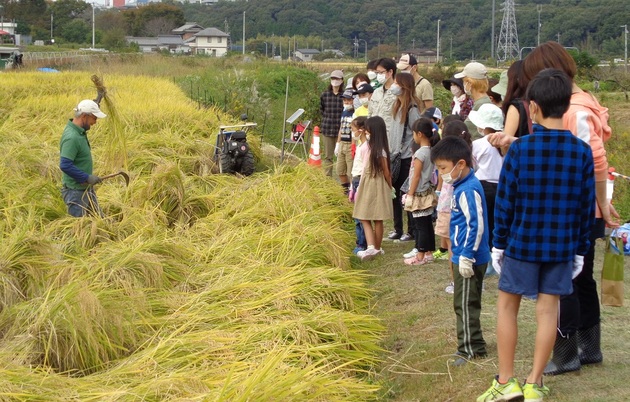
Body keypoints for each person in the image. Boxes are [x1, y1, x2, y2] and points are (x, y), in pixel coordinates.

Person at [477, 68, 596, 402]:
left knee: (507, 307)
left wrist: (498, 243)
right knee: (548, 311)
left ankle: (505, 381)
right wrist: (580, 251)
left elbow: (506, 202)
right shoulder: (581, 152)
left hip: (521, 242)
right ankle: (534, 383)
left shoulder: (520, 149)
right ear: (565, 106)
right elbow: (585, 208)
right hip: (561, 247)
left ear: (532, 108)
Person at [518, 41, 619, 378]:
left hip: (574, 209)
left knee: (565, 283)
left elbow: (596, 160)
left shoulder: (573, 110)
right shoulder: (586, 100)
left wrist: (602, 203)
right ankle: (590, 348)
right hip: (586, 208)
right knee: (582, 280)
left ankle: (565, 354)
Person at [431, 135, 489, 366]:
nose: (442, 173)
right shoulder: (460, 186)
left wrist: (466, 255)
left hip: (469, 257)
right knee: (467, 301)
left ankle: (467, 350)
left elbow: (476, 224)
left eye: (444, 168)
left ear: (461, 164)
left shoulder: (468, 190)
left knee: (464, 303)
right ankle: (477, 344)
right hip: (464, 255)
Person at [434, 121, 473, 294]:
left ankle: (455, 281)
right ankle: (471, 280)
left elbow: (443, 182)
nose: (441, 171)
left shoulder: (451, 161)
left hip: (448, 208)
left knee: (453, 247)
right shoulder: (469, 157)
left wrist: (438, 191)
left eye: (442, 168)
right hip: (460, 209)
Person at [468, 103, 505, 277]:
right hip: (501, 187)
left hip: (482, 186)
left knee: (484, 222)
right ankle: (498, 253)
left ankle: (486, 257)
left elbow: (472, 166)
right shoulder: (506, 142)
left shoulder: (478, 144)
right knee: (498, 222)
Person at [388, 72, 422, 242]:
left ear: (404, 86)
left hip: (408, 156)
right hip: (395, 156)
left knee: (406, 193)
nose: (393, 85)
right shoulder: (397, 106)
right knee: (395, 193)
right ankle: (397, 228)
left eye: (396, 82)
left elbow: (417, 133)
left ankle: (411, 230)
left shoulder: (412, 108)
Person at [354, 116, 393, 261]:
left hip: (369, 182)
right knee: (377, 217)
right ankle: (376, 247)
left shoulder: (369, 147)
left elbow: (385, 171)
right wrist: (390, 186)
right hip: (379, 183)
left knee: (365, 215)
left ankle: (372, 247)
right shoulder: (381, 149)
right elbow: (387, 172)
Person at [401, 118, 439, 265]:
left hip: (419, 193)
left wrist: (410, 194)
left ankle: (420, 255)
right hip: (428, 191)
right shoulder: (431, 151)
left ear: (420, 134)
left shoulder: (419, 154)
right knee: (427, 223)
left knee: (420, 225)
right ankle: (429, 252)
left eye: (414, 133)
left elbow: (415, 176)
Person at [60, 99, 107, 217]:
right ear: (85, 116)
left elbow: (86, 109)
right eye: (94, 118)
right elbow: (65, 165)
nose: (95, 122)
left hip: (86, 189)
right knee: (79, 229)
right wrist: (86, 177)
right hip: (76, 193)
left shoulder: (78, 131)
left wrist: (96, 102)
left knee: (99, 220)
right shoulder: (72, 137)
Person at [454, 62, 491, 138]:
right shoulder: (481, 102)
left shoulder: (481, 105)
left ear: (470, 83)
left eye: (464, 81)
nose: (463, 84)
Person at [320, 69, 345, 177]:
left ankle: (343, 179)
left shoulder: (344, 96)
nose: (335, 81)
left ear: (342, 80)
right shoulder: (325, 95)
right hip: (327, 129)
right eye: (333, 78)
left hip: (341, 130)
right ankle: (328, 179)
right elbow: (322, 109)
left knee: (341, 156)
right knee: (328, 156)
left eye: (337, 79)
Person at [349, 116, 368, 255]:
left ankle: (362, 243)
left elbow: (365, 168)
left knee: (360, 216)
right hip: (355, 180)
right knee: (357, 215)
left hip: (360, 181)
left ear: (361, 131)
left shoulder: (366, 147)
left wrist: (359, 186)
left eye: (353, 129)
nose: (352, 132)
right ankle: (360, 241)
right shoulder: (360, 146)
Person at [335, 89, 355, 194]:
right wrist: (338, 143)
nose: (346, 103)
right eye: (345, 100)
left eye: (348, 100)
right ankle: (345, 191)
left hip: (350, 143)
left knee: (350, 171)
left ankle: (352, 193)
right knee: (340, 170)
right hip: (342, 142)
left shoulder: (355, 112)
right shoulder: (344, 112)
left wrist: (353, 146)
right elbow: (341, 128)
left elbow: (355, 131)